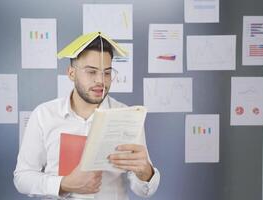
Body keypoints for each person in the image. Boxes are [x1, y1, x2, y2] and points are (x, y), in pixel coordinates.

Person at [13, 32, 160, 200]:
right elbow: (22, 178)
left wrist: (146, 173)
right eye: (91, 72)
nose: (101, 81)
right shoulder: (44, 115)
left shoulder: (127, 116)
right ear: (71, 73)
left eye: (106, 73)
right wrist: (64, 184)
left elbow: (143, 190)